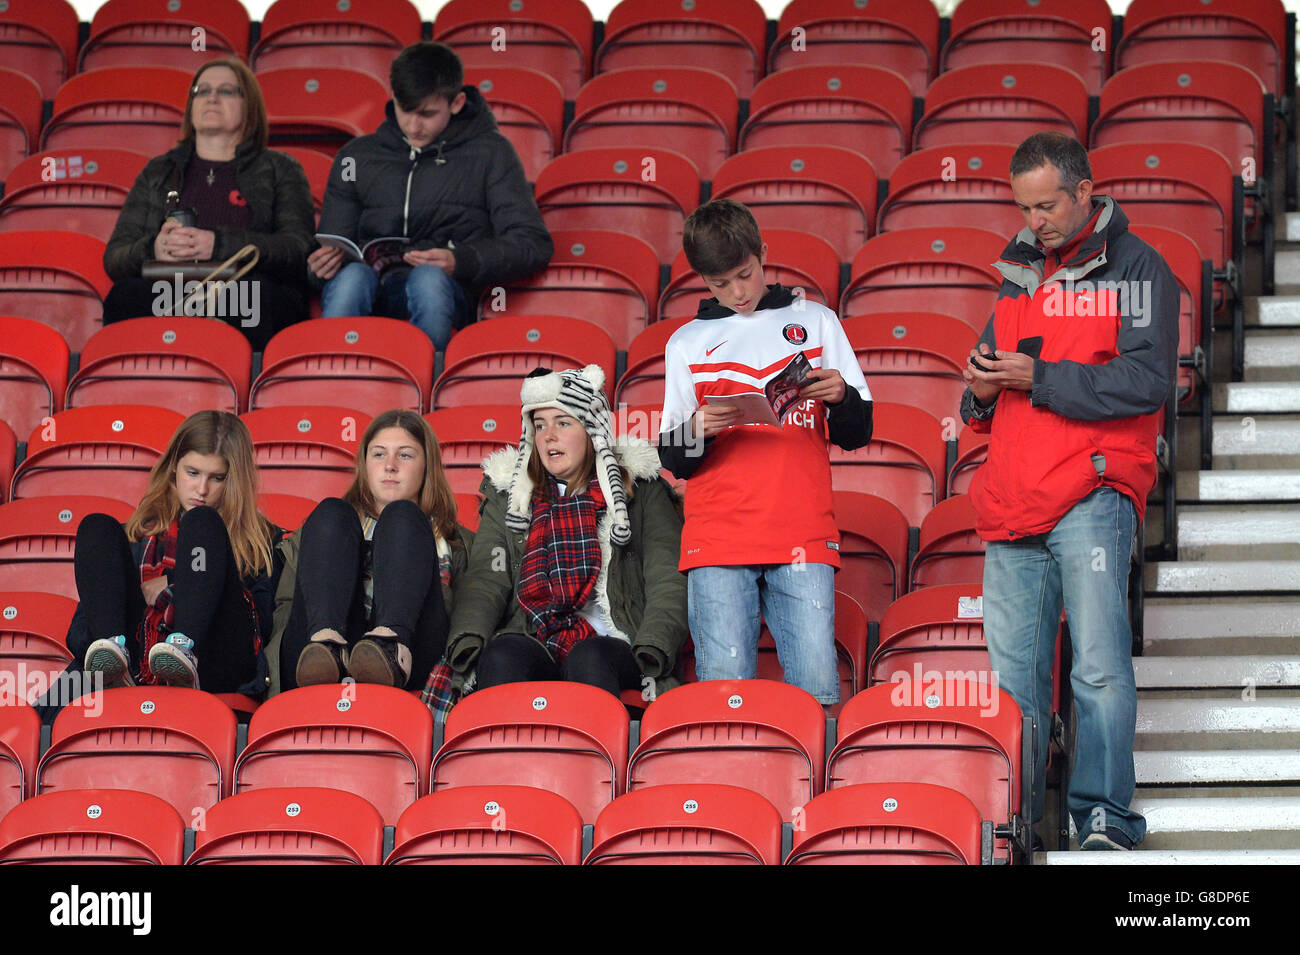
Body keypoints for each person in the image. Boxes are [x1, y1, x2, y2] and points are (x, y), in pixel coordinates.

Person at [959, 131, 1179, 850]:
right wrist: (981, 390)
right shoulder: (1018, 268)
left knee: (1097, 667)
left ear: (1086, 191)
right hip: (1014, 498)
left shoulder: (1140, 267)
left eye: (1046, 204)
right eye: (1024, 207)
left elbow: (1148, 383)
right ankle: (1018, 826)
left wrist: (1039, 379)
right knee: (1015, 689)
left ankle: (1104, 816)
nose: (1033, 221)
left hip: (1093, 492)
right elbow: (993, 384)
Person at [657, 199, 872, 706]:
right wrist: (700, 429)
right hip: (717, 538)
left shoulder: (816, 321)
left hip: (802, 530)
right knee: (725, 698)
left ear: (763, 255)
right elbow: (673, 457)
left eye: (744, 275)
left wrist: (840, 396)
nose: (736, 293)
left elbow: (858, 432)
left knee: (815, 695)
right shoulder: (686, 342)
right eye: (718, 284)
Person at [434, 365, 687, 710]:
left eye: (563, 423)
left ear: (592, 430)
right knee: (503, 655)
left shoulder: (643, 492)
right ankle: (506, 761)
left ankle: (594, 761)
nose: (548, 436)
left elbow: (667, 578)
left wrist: (654, 645)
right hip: (534, 630)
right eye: (540, 425)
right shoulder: (510, 495)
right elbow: (487, 580)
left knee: (590, 657)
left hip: (618, 638)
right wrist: (467, 638)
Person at [306, 41, 553, 349]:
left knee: (427, 280)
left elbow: (532, 243)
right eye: (405, 110)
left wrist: (458, 260)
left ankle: (427, 383)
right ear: (393, 98)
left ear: (457, 102)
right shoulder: (355, 158)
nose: (413, 125)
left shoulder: (492, 153)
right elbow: (336, 245)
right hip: (368, 284)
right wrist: (319, 268)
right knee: (353, 278)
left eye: (427, 113)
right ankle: (331, 378)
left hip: (447, 290)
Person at [101, 58, 315, 349]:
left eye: (226, 91)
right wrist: (155, 248)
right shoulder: (159, 170)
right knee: (124, 296)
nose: (212, 97)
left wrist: (218, 245)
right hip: (172, 287)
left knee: (254, 297)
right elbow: (115, 257)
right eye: (202, 91)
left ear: (249, 104)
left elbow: (298, 249)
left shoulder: (281, 168)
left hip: (244, 289)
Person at [67, 411, 284, 695]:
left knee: (202, 521)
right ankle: (113, 664)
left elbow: (262, 627)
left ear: (234, 482)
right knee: (96, 527)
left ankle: (183, 651)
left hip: (216, 661)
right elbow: (80, 631)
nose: (202, 489)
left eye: (217, 478)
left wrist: (175, 584)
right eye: (192, 473)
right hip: (138, 652)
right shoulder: (134, 538)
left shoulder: (262, 541)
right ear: (173, 469)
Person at [270, 410, 472, 693]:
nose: (390, 466)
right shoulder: (322, 529)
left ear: (427, 466)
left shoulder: (459, 543)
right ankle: (328, 648)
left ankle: (388, 648)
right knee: (332, 512)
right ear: (364, 465)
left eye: (405, 455)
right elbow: (287, 609)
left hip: (413, 658)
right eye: (378, 454)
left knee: (403, 516)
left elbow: (465, 622)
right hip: (315, 658)